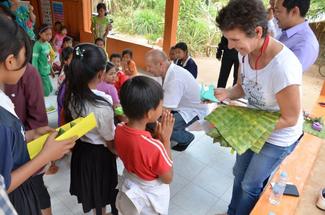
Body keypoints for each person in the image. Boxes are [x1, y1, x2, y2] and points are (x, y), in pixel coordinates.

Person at [214, 1, 303, 214]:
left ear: (257, 32)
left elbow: (290, 118)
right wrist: (227, 92)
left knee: (250, 184)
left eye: (235, 40)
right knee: (238, 174)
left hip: (279, 135)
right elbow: (243, 87)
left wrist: (246, 127)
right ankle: (232, 211)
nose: (230, 46)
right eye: (228, 39)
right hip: (255, 124)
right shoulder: (245, 54)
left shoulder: (283, 67)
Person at [0, 13, 76, 215]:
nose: (27, 66)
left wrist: (29, 135)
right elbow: (2, 186)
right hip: (15, 198)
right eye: (25, 59)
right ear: (10, 61)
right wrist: (44, 157)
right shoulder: (2, 122)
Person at [63, 44, 118, 215]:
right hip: (99, 157)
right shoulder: (103, 103)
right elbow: (110, 140)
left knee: (93, 193)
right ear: (101, 74)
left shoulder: (71, 94)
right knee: (101, 192)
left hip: (82, 152)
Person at [115, 76, 174, 215]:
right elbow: (168, 178)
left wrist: (157, 138)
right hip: (149, 200)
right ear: (149, 113)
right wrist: (165, 140)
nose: (163, 108)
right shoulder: (155, 147)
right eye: (160, 105)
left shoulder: (119, 129)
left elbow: (136, 150)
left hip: (130, 188)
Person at [145, 49, 207, 151]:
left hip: (192, 111)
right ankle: (177, 128)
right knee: (153, 121)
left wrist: (144, 117)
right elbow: (154, 92)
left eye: (149, 66)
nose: (147, 69)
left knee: (162, 126)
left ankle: (187, 138)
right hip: (179, 105)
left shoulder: (175, 79)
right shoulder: (164, 71)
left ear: (160, 64)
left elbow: (164, 111)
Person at [274, 0, 319, 72]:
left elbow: (285, 75)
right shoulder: (286, 29)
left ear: (294, 11)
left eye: (278, 11)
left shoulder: (305, 44)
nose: (274, 15)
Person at [32, 24, 53, 96]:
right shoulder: (37, 45)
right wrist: (36, 73)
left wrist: (51, 69)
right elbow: (34, 61)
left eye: (50, 34)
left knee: (51, 89)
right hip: (41, 72)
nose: (49, 36)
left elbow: (48, 57)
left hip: (47, 70)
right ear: (40, 34)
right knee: (46, 93)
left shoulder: (47, 43)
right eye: (47, 34)